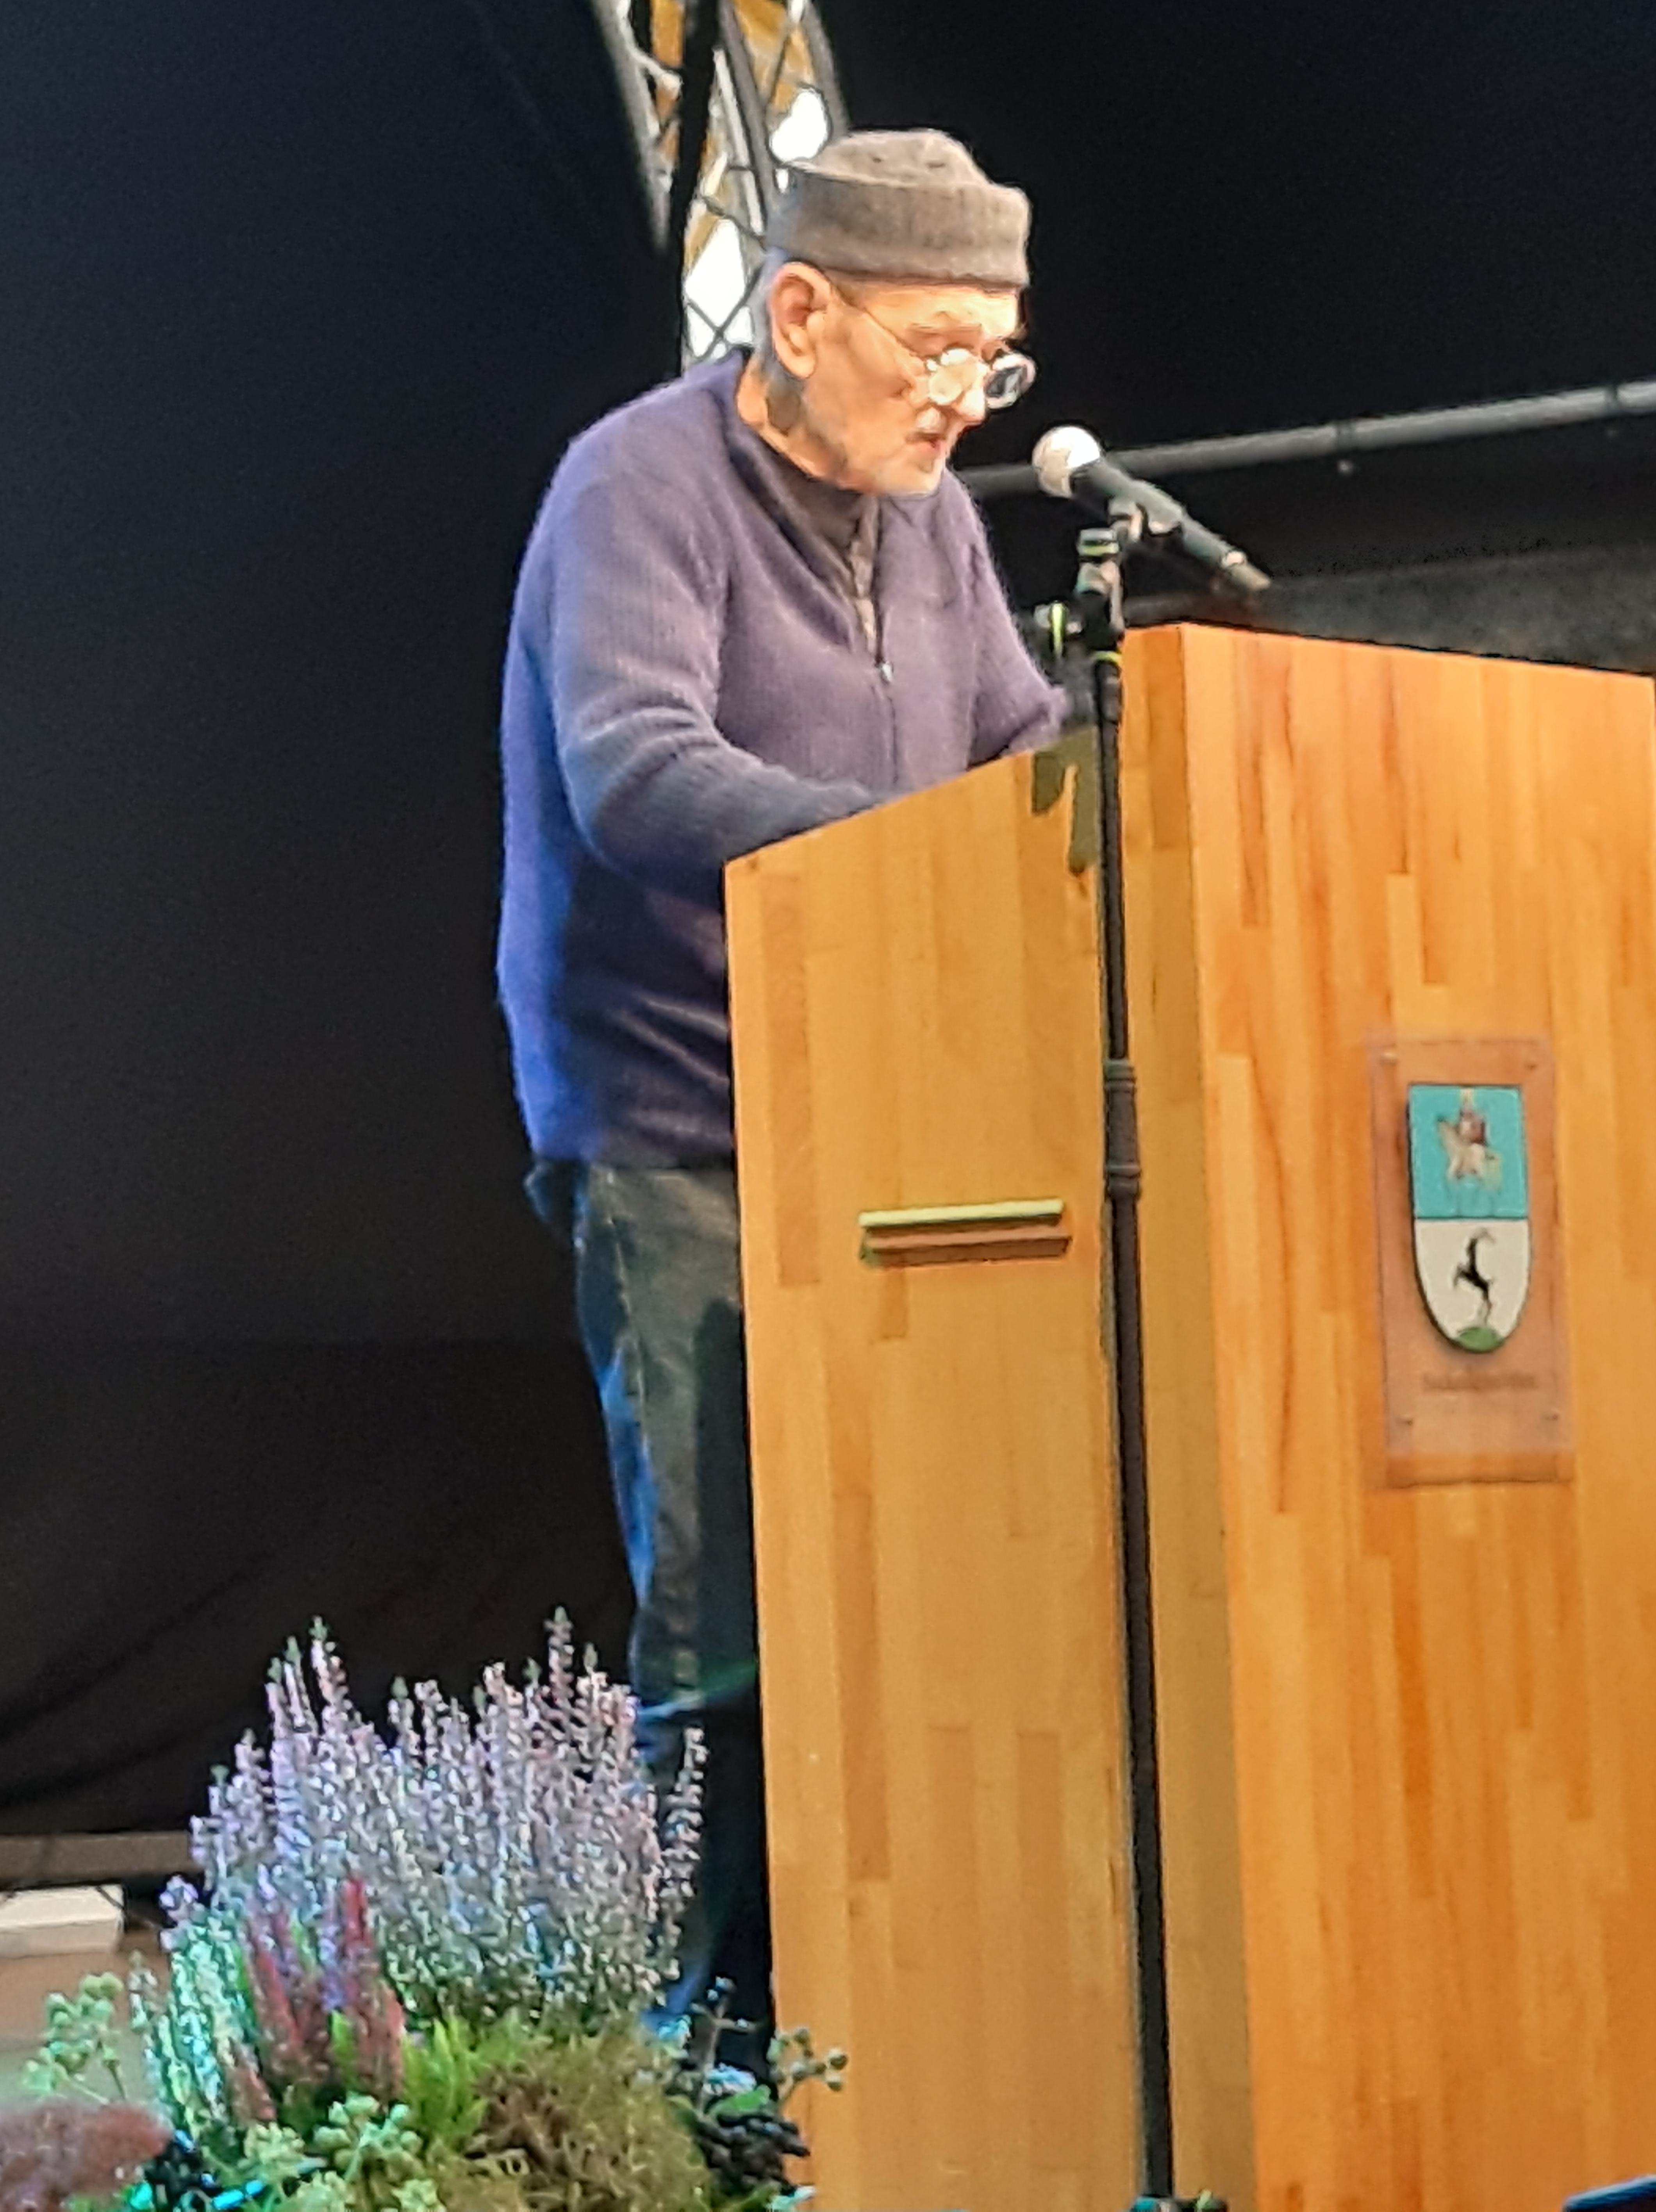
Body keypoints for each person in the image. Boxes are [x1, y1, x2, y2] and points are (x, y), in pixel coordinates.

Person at [496, 128, 1063, 2047]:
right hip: (677, 1126)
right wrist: (919, 855)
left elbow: (1022, 741)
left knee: (909, 1600)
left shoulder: (935, 520)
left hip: (888, 1122)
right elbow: (636, 770)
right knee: (725, 1625)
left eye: (992, 356)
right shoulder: (637, 485)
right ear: (800, 312)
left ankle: (890, 2031)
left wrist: (1152, 779)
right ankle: (703, 2065)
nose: (961, 397)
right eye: (931, 347)